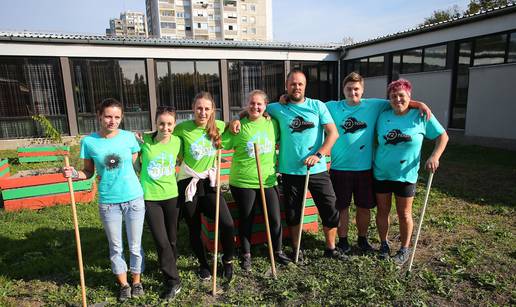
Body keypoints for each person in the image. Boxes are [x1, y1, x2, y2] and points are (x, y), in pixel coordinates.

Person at [232, 69, 344, 260]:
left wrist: (319, 155)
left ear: (305, 85)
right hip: (291, 171)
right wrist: (236, 118)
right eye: (292, 84)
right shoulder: (276, 107)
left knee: (329, 208)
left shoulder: (317, 106)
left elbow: (333, 133)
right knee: (293, 213)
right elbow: (254, 109)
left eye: (300, 83)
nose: (296, 87)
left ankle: (331, 248)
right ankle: (296, 248)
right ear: (287, 86)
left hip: (316, 169)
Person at [326, 72, 432, 255]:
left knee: (364, 207)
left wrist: (419, 104)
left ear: (363, 90)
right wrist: (285, 98)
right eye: (349, 89)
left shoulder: (374, 105)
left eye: (357, 89)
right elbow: (309, 107)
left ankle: (362, 239)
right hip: (339, 168)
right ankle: (343, 241)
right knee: (341, 207)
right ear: (343, 90)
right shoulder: (332, 107)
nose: (353, 92)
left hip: (365, 168)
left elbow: (399, 101)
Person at [62, 98, 145, 302]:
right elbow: (88, 172)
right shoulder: (89, 142)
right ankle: (124, 284)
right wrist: (73, 173)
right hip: (108, 202)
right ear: (99, 116)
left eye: (117, 117)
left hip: (134, 198)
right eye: (108, 116)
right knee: (115, 246)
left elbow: (135, 164)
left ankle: (137, 281)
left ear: (121, 118)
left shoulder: (128, 138)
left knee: (135, 245)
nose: (112, 121)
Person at [373, 79, 448, 265]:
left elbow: (443, 136)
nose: (398, 99)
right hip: (382, 172)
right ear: (389, 98)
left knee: (404, 213)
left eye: (402, 96)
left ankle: (404, 249)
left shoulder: (421, 115)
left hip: (406, 175)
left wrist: (434, 156)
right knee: (383, 210)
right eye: (393, 96)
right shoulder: (383, 116)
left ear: (409, 97)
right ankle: (383, 244)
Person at [221, 90, 291, 272]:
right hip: (243, 182)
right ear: (247, 105)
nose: (255, 107)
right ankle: (246, 254)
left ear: (265, 106)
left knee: (275, 219)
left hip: (267, 180)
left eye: (259, 104)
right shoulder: (239, 126)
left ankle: (278, 251)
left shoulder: (272, 124)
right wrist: (231, 122)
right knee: (247, 219)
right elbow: (221, 142)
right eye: (252, 103)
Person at [174, 91, 236, 281]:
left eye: (206, 109)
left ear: (212, 111)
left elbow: (232, 124)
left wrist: (236, 120)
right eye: (199, 108)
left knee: (227, 222)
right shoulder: (182, 128)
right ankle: (203, 264)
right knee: (194, 227)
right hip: (188, 182)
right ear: (193, 108)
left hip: (209, 183)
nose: (202, 112)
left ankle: (228, 260)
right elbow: (165, 137)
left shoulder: (217, 125)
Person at [139, 106, 182, 299]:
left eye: (170, 124)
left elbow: (182, 160)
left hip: (172, 196)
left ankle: (169, 265)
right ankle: (173, 281)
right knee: (161, 240)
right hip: (151, 198)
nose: (165, 128)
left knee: (172, 239)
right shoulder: (144, 141)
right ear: (155, 124)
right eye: (161, 123)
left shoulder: (178, 142)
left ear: (174, 124)